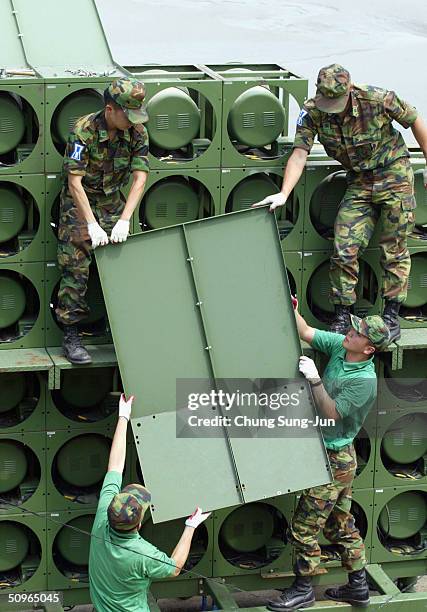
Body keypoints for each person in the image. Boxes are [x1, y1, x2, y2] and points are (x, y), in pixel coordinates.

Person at [254, 64, 427, 341]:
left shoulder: (378, 98)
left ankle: (391, 316)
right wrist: (284, 193)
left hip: (393, 173)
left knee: (393, 247)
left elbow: (415, 119)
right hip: (359, 181)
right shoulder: (312, 112)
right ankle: (342, 315)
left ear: (349, 91)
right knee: (343, 247)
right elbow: (300, 154)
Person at [267, 296, 390, 611]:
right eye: (355, 328)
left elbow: (332, 413)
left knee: (304, 527)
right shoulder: (341, 346)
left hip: (335, 460)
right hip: (329, 454)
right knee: (339, 523)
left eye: (358, 333)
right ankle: (358, 587)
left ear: (369, 349)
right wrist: (293, 310)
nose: (351, 332)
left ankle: (303, 589)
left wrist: (314, 379)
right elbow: (306, 331)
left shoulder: (364, 381)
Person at [56, 77, 150, 365]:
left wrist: (124, 219)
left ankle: (130, 333)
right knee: (76, 267)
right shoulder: (84, 131)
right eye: (128, 114)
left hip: (112, 201)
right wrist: (91, 225)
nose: (133, 122)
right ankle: (71, 335)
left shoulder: (137, 133)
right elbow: (75, 182)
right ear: (110, 110)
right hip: (79, 203)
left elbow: (140, 177)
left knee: (126, 265)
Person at [89, 394, 210, 612]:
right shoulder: (142, 554)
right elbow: (174, 569)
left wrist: (123, 417)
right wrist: (191, 526)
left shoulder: (101, 520)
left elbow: (115, 467)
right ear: (137, 525)